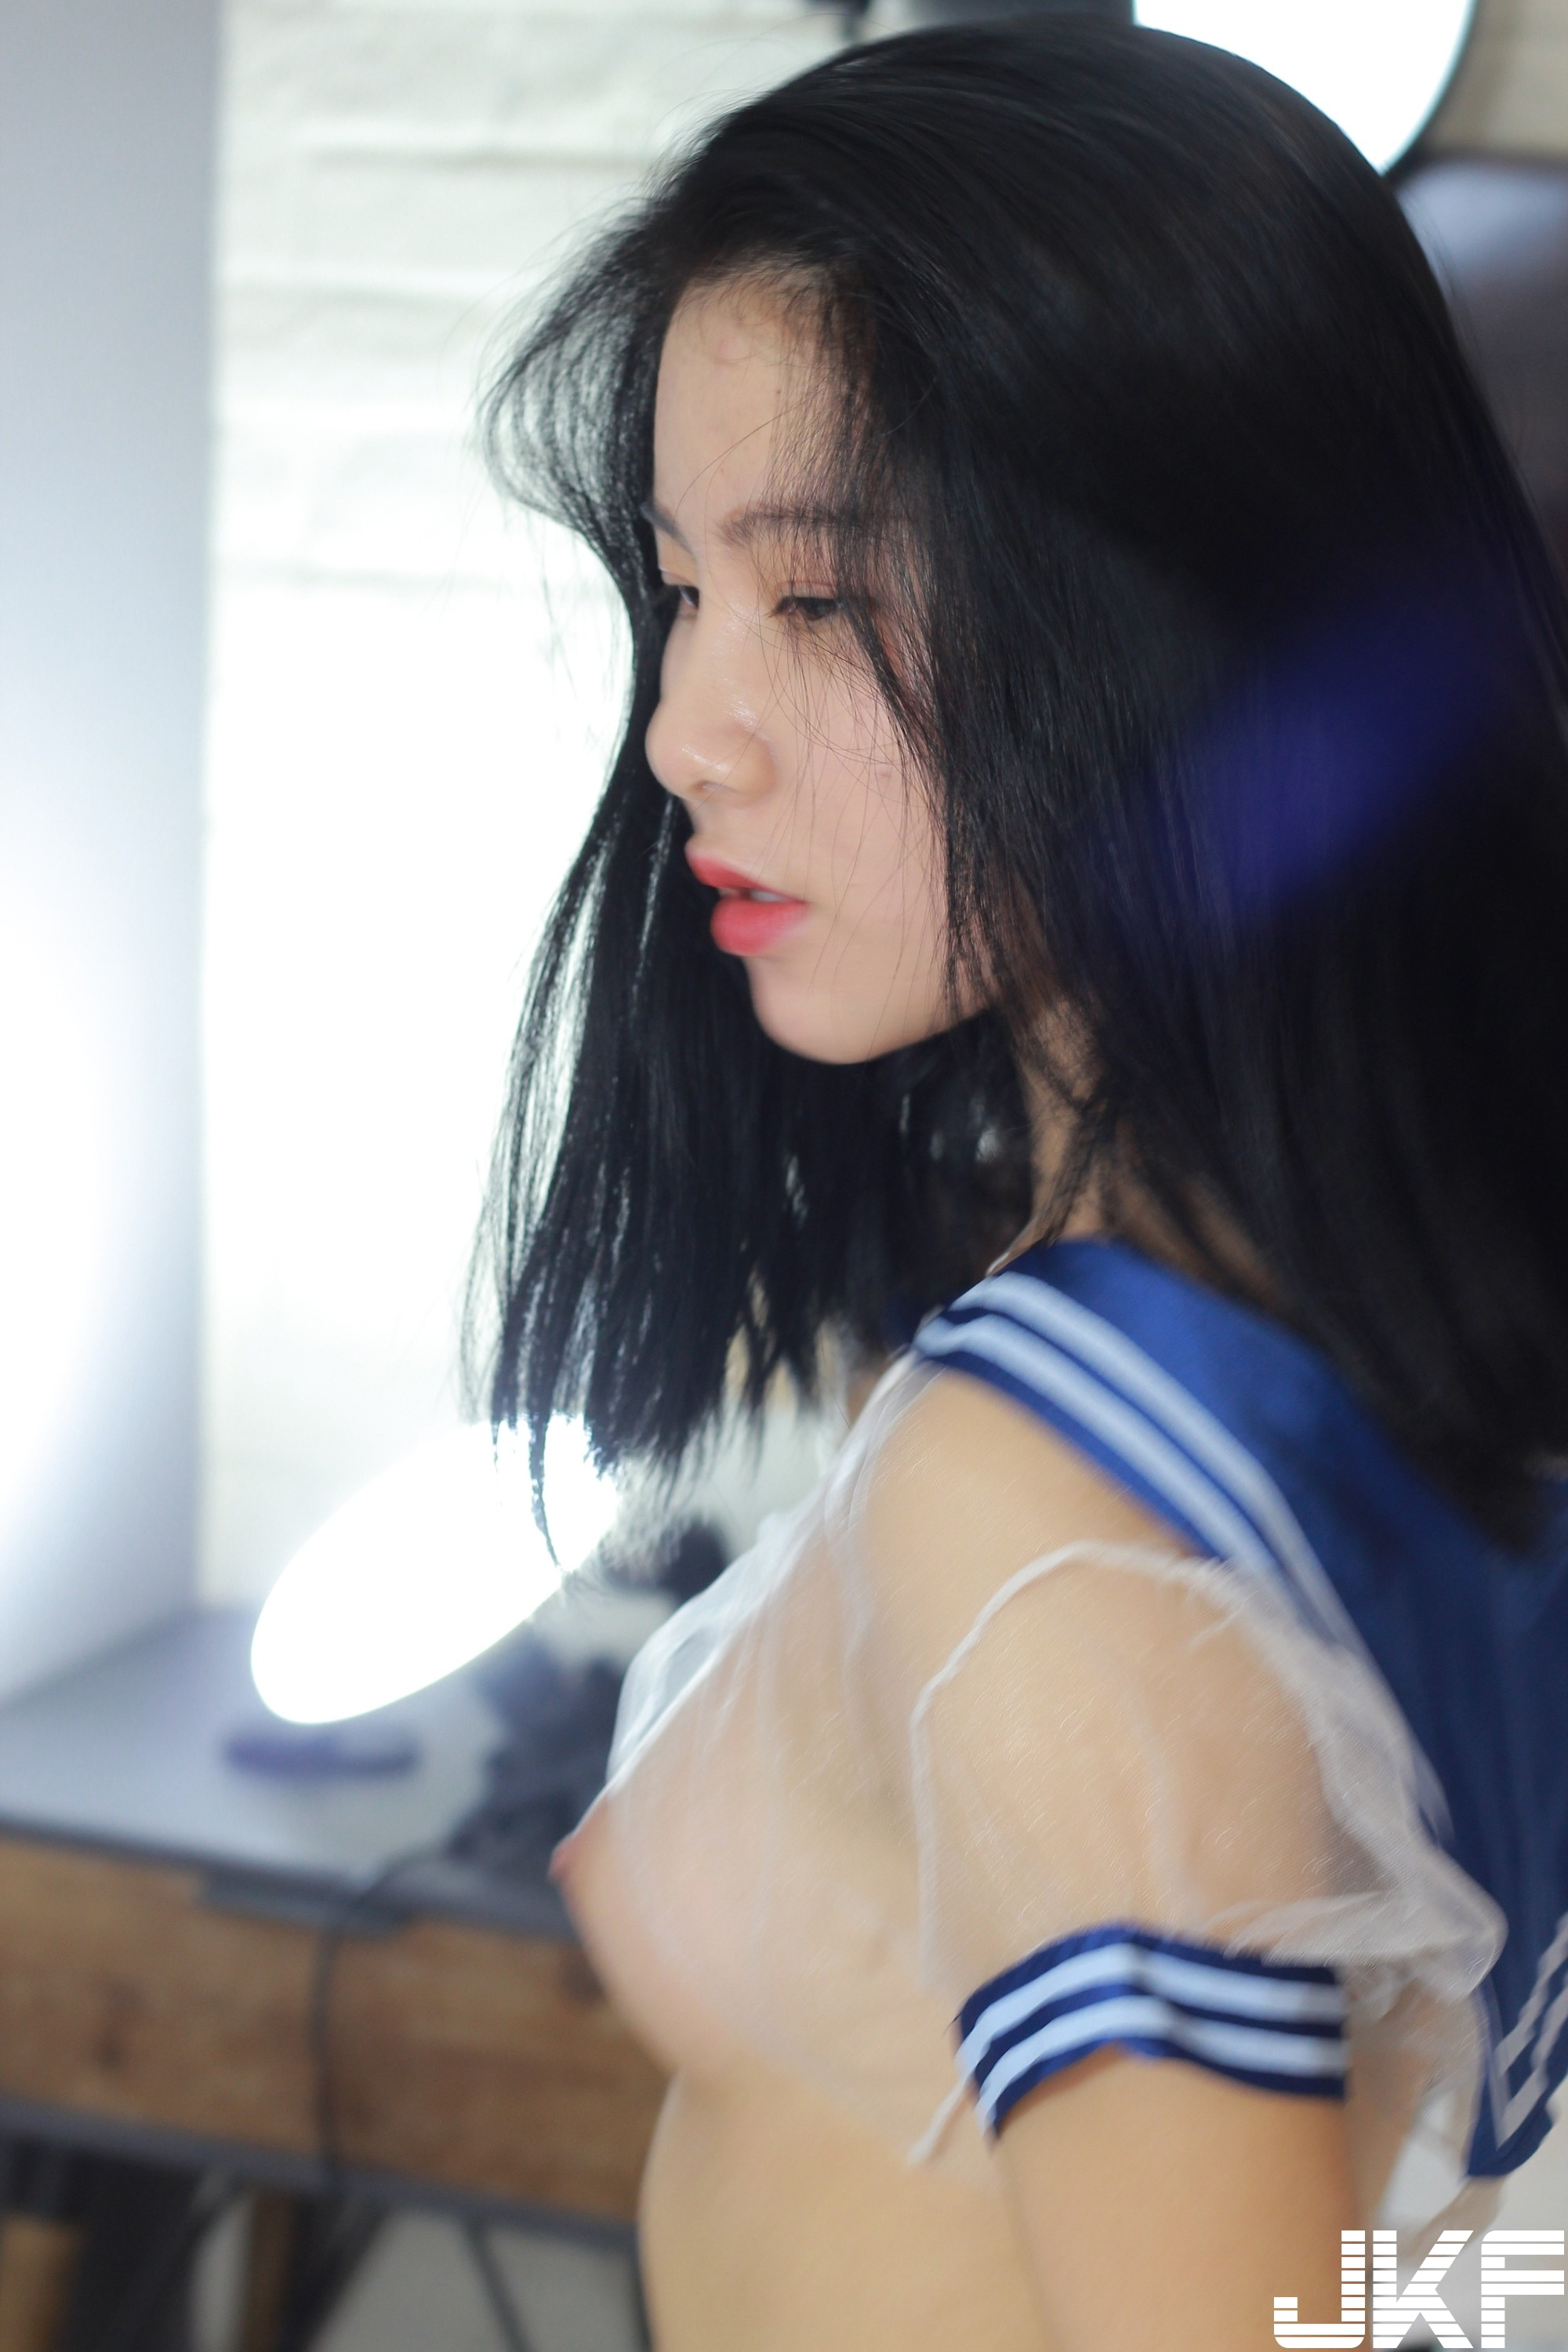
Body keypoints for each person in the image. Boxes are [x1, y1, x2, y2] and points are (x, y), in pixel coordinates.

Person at [474, 21, 1568, 2350]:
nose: (685, 729)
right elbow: (1400, 2268)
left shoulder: (1048, 1508)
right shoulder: (1379, 1311)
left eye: (818, 601)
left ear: (1183, 617)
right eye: (680, 588)